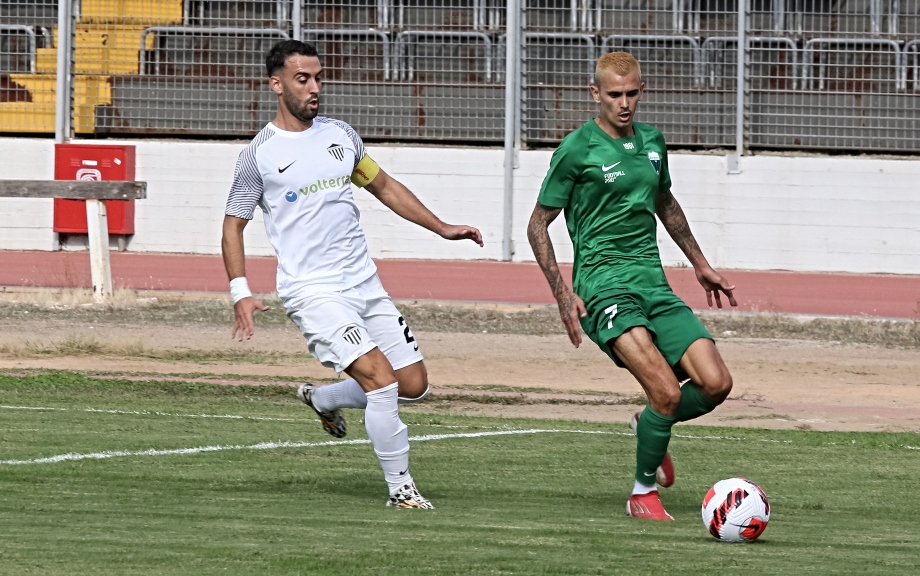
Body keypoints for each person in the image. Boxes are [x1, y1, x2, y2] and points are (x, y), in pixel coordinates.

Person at [221, 40, 483, 509]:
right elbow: (232, 225)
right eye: (303, 79)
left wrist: (441, 227)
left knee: (413, 385)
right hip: (313, 292)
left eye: (318, 78)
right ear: (276, 84)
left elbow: (383, 186)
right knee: (381, 381)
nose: (314, 88)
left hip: (364, 283)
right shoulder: (259, 154)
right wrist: (241, 291)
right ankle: (401, 490)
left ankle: (324, 399)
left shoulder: (341, 135)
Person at [526, 52, 737, 521]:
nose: (624, 103)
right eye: (614, 94)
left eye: (632, 93)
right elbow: (537, 224)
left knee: (716, 383)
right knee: (667, 391)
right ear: (595, 93)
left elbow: (665, 202)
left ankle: (648, 424)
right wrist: (562, 293)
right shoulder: (576, 149)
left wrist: (700, 264)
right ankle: (642, 493)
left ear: (643, 90)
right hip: (604, 289)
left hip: (654, 285)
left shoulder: (652, 142)